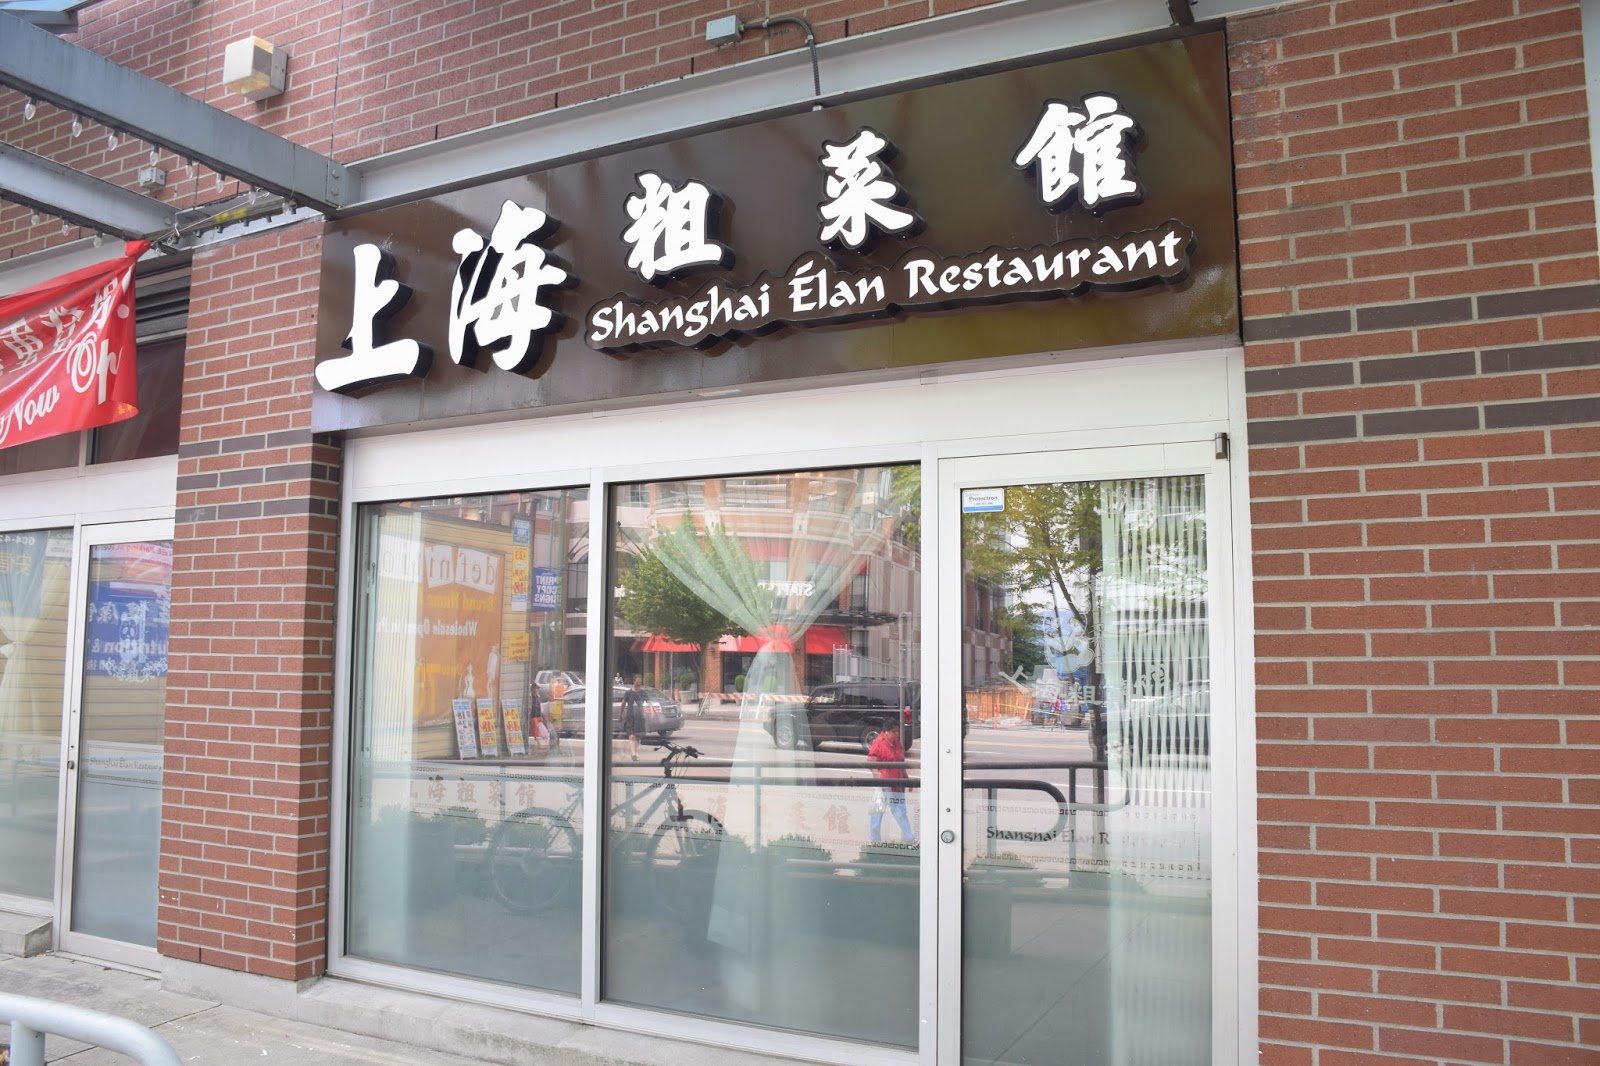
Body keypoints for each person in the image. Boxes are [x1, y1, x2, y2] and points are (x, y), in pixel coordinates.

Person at [867, 723, 916, 844]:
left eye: (898, 731)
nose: (897, 734)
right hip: (885, 784)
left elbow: (900, 763)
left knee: (900, 811)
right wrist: (879, 780)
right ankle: (875, 840)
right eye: (895, 732)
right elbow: (871, 762)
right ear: (887, 731)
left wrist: (906, 780)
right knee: (879, 811)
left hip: (897, 783)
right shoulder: (879, 743)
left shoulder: (896, 743)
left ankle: (908, 838)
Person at [619, 675, 647, 761]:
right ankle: (633, 754)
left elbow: (641, 705)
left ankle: (633, 752)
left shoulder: (642, 693)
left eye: (640, 682)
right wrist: (620, 714)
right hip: (630, 716)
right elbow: (623, 704)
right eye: (637, 682)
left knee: (637, 737)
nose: (639, 683)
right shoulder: (628, 693)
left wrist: (644, 715)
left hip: (639, 718)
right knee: (631, 735)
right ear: (634, 682)